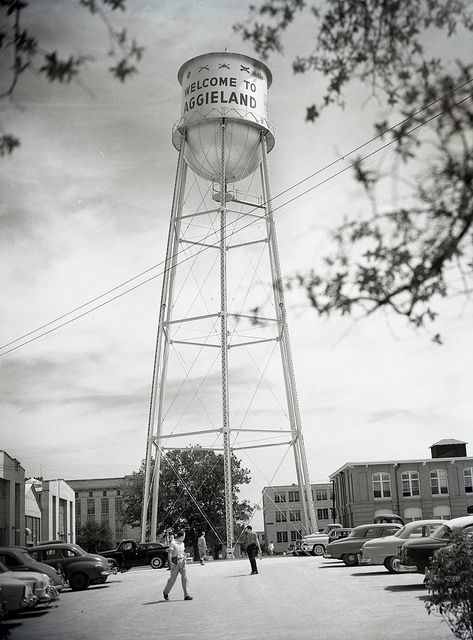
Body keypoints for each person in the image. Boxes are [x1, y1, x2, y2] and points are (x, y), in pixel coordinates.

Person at [163, 530, 193, 601]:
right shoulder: (173, 543)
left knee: (185, 578)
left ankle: (186, 595)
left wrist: (186, 554)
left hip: (182, 562)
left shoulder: (182, 544)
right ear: (181, 536)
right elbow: (170, 553)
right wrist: (170, 562)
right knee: (172, 579)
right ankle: (166, 592)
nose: (184, 538)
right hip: (175, 562)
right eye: (184, 536)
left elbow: (182, 552)